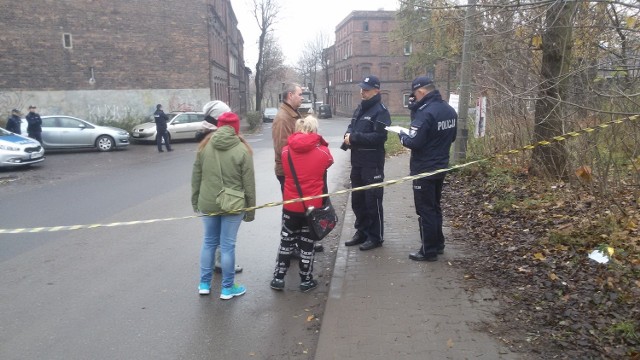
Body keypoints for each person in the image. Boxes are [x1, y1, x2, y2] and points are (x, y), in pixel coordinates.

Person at [191, 112, 256, 300]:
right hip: (233, 204)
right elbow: (248, 184)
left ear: (218, 126)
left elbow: (196, 176)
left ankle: (204, 284)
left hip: (208, 202)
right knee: (227, 246)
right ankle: (227, 288)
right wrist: (250, 210)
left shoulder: (204, 146)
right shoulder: (243, 149)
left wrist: (195, 200)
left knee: (209, 242)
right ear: (236, 128)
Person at [270, 116, 333, 292]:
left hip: (291, 204)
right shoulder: (323, 152)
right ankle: (306, 280)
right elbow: (328, 162)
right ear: (315, 130)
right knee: (307, 243)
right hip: (311, 207)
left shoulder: (285, 152)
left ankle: (278, 278)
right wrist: (320, 142)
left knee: (286, 241)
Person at [398, 76, 457, 262]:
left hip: (424, 168)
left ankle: (428, 250)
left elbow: (414, 141)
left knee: (425, 211)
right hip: (440, 166)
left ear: (421, 92)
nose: (414, 98)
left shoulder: (425, 113)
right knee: (434, 207)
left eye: (415, 94)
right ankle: (438, 243)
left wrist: (401, 136)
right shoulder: (448, 110)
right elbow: (452, 137)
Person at [272, 83, 324, 253]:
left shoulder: (291, 115)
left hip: (295, 172)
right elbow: (282, 149)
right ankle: (291, 245)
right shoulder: (283, 118)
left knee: (300, 207)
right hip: (288, 173)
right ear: (290, 95)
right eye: (300, 94)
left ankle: (301, 242)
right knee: (292, 210)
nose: (302, 97)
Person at [342, 75, 391, 251]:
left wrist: (354, 137)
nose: (363, 92)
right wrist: (347, 135)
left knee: (373, 201)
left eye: (367, 89)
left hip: (372, 164)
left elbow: (379, 137)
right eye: (362, 89)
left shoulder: (381, 111)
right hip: (357, 162)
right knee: (358, 200)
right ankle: (361, 231)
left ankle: (375, 236)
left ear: (376, 90)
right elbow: (351, 126)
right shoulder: (360, 108)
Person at [198, 100, 243, 274]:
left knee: (211, 238)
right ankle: (223, 268)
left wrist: (197, 199)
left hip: (208, 195)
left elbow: (197, 174)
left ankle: (206, 279)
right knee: (225, 240)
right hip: (225, 194)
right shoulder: (216, 139)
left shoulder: (206, 138)